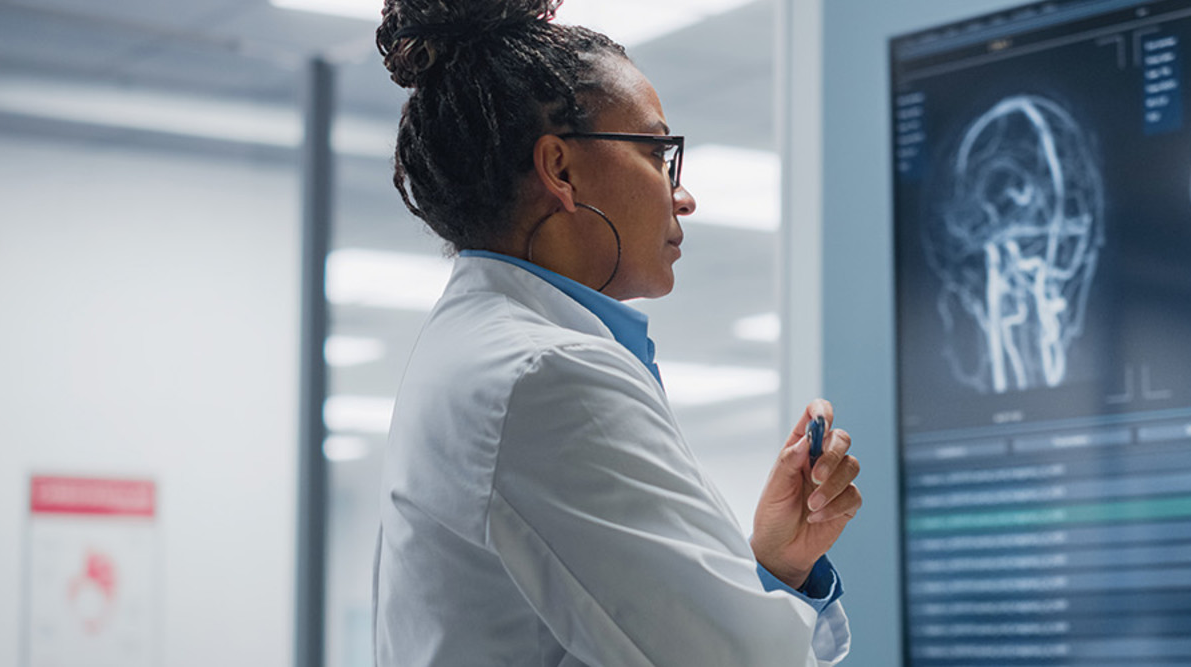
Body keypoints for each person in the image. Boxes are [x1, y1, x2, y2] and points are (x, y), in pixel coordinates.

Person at [369, 1, 863, 664]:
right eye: (658, 152)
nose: (681, 195)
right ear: (562, 170)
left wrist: (779, 565)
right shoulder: (543, 376)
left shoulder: (484, 347)